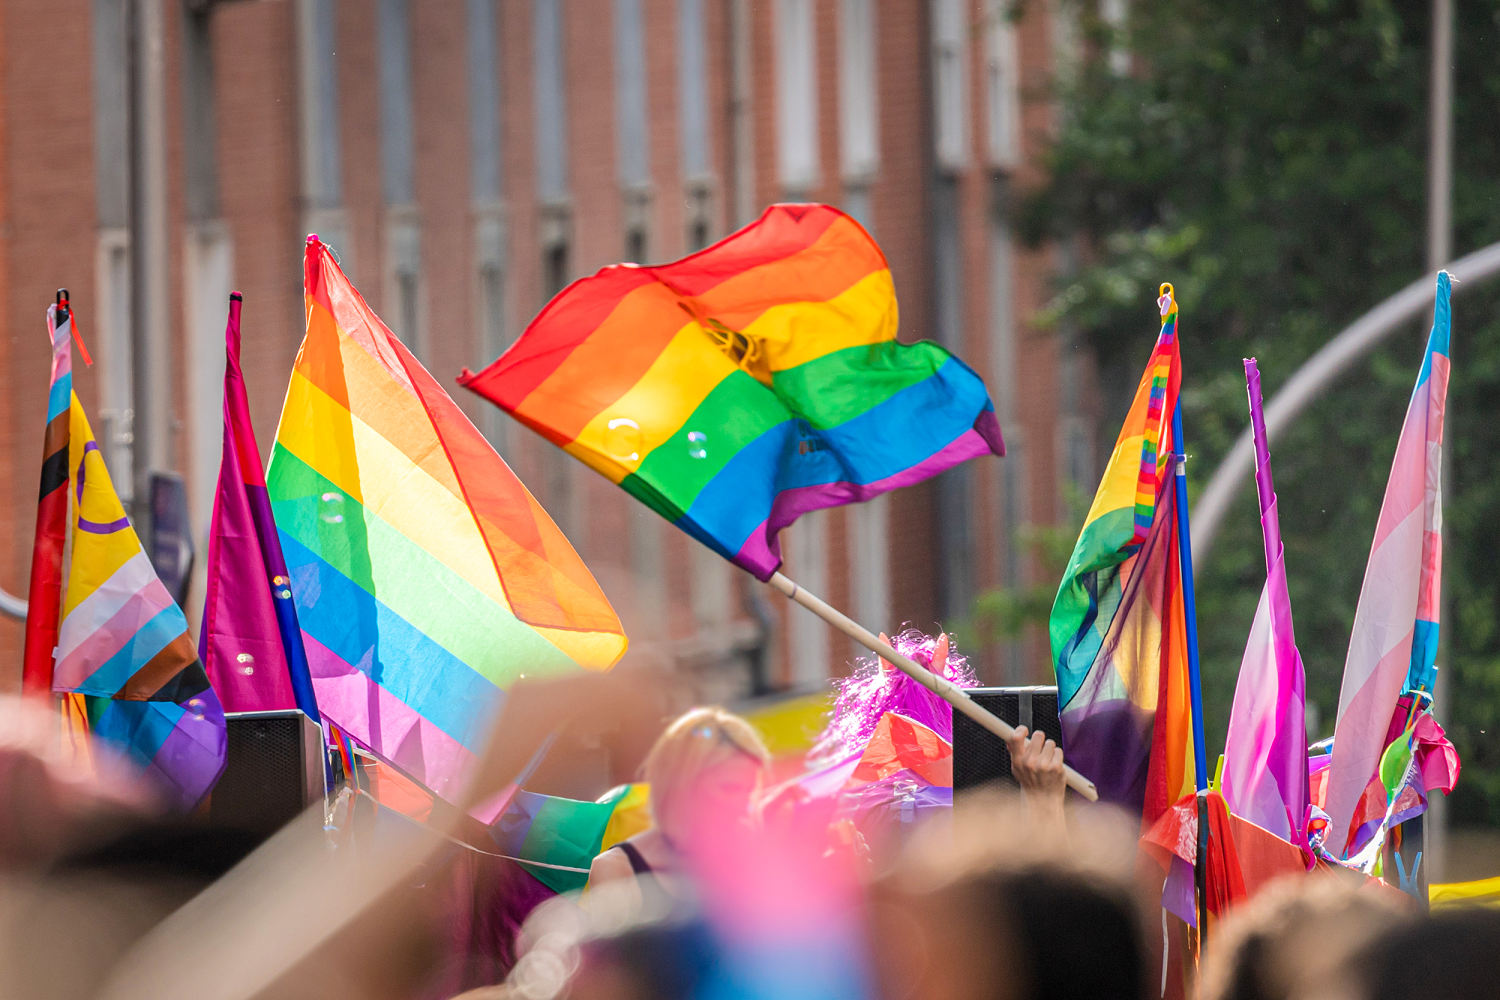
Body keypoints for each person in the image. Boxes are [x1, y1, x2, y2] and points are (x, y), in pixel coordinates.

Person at [585, 706, 770, 905]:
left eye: (750, 790)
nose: (744, 806)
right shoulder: (617, 869)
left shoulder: (760, 857)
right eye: (729, 789)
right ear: (680, 785)